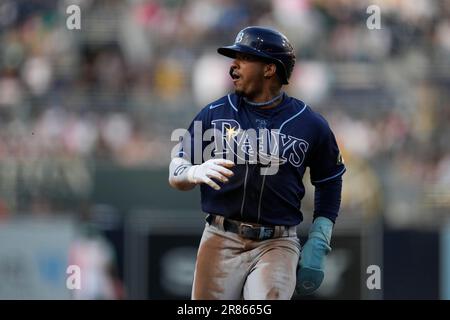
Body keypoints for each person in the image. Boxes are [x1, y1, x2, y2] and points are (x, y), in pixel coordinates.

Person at [168, 26, 346, 300]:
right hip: (220, 236)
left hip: (277, 243)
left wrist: (319, 241)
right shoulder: (214, 113)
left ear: (269, 69)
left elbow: (329, 180)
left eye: (244, 58)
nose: (233, 66)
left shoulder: (310, 124)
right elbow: (175, 172)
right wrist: (192, 171)